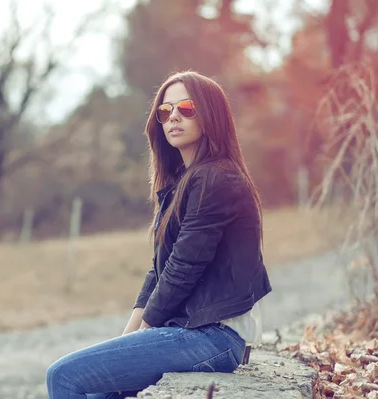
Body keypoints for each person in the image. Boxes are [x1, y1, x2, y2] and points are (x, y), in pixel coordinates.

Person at [46, 71, 272, 399]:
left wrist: (142, 334)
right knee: (98, 393)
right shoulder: (183, 182)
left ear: (211, 114)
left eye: (186, 108)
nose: (174, 117)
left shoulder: (217, 179)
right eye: (165, 112)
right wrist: (127, 338)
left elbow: (183, 267)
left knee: (64, 376)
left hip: (213, 337)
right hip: (188, 331)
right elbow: (159, 271)